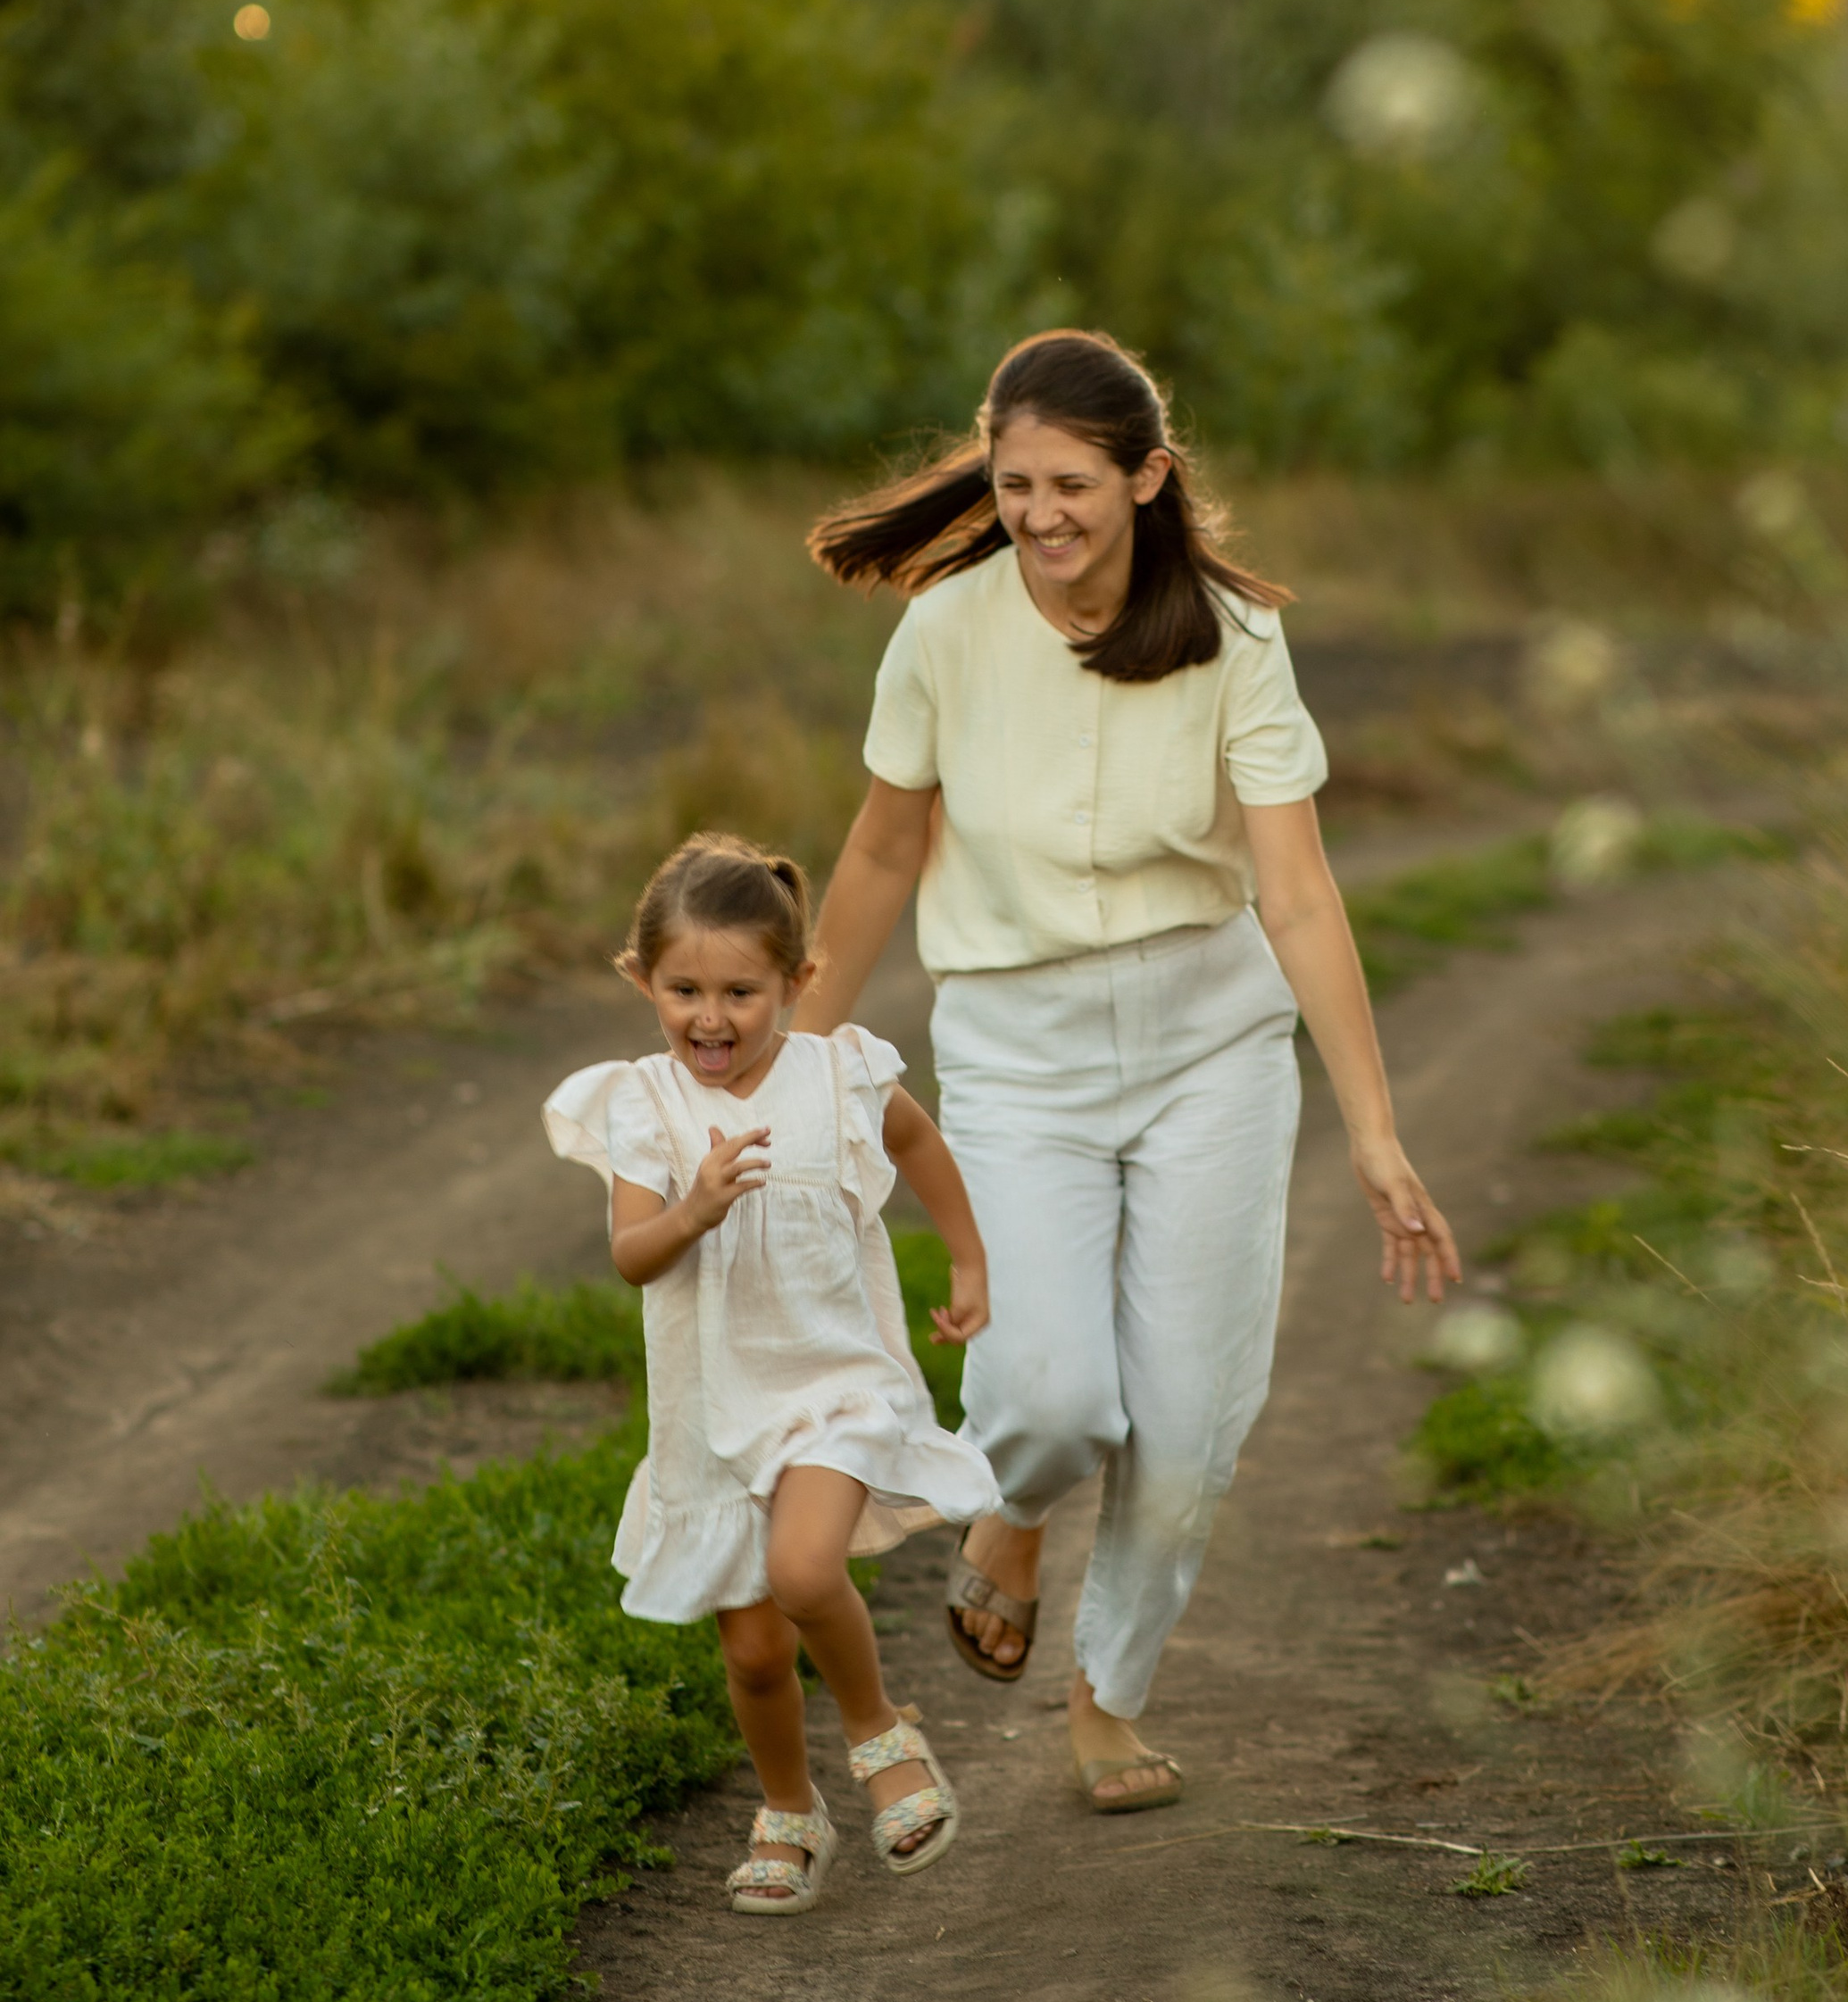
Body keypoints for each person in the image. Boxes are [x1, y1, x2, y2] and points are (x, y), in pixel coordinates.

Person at [799, 328, 1460, 1817]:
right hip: (1017, 1046)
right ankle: (1014, 1516)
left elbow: (1295, 893)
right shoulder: (948, 631)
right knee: (1042, 1398)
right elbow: (883, 848)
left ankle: (1107, 1699)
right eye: (1015, 483)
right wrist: (795, 1061)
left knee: (1188, 1419)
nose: (1040, 516)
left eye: (1073, 486)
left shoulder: (1234, 637)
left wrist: (1372, 1128)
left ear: (1148, 479)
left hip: (1207, 1047)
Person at [544, 832, 996, 1915]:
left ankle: (881, 1735)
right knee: (750, 1652)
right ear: (640, 978)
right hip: (709, 1412)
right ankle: (788, 1809)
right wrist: (692, 1207)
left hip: (832, 1384)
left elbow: (920, 1142)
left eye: (741, 991)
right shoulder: (645, 1106)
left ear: (797, 984)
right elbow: (632, 1255)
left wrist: (971, 1258)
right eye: (683, 988)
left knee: (803, 1573)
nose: (711, 1017)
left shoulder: (838, 1075)